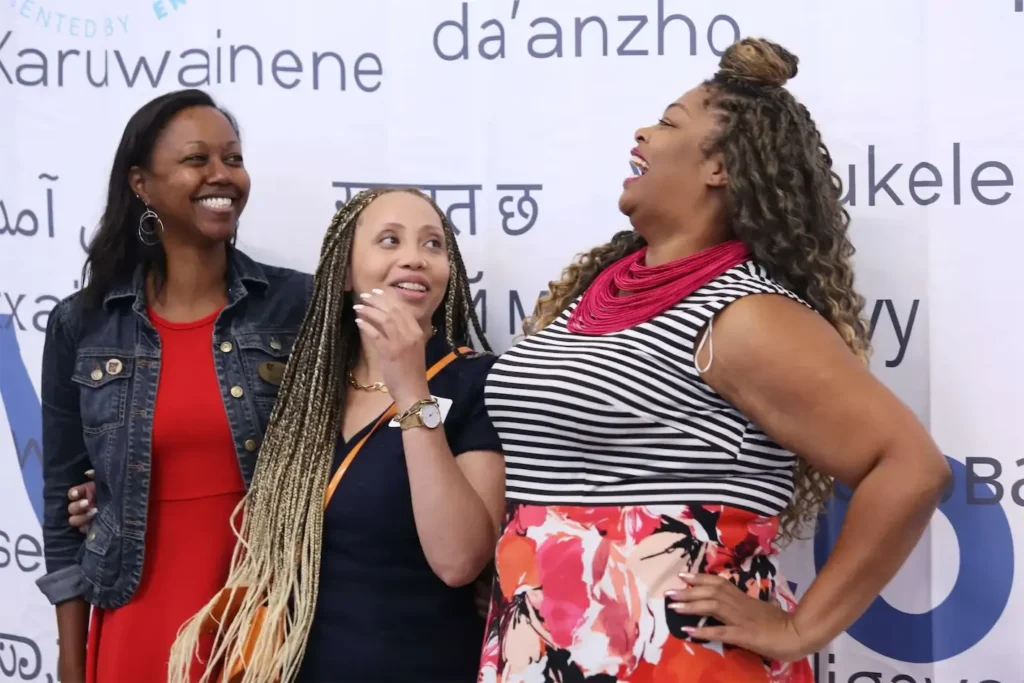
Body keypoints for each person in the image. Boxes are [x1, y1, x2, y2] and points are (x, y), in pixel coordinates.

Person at [479, 37, 951, 682]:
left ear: (721, 167)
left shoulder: (745, 315)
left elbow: (911, 469)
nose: (643, 131)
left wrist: (800, 628)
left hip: (675, 657)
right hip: (550, 643)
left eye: (670, 122)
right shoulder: (597, 291)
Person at [165, 187, 506, 683]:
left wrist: (412, 389)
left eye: (433, 245)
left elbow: (458, 561)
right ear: (345, 274)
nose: (414, 258)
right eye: (389, 241)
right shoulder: (311, 388)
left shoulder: (478, 381)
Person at [36, 88, 312, 683]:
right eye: (197, 159)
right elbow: (62, 502)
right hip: (137, 615)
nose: (223, 175)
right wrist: (70, 657)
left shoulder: (298, 306)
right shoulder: (81, 324)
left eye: (233, 158)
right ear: (142, 183)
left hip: (266, 616)